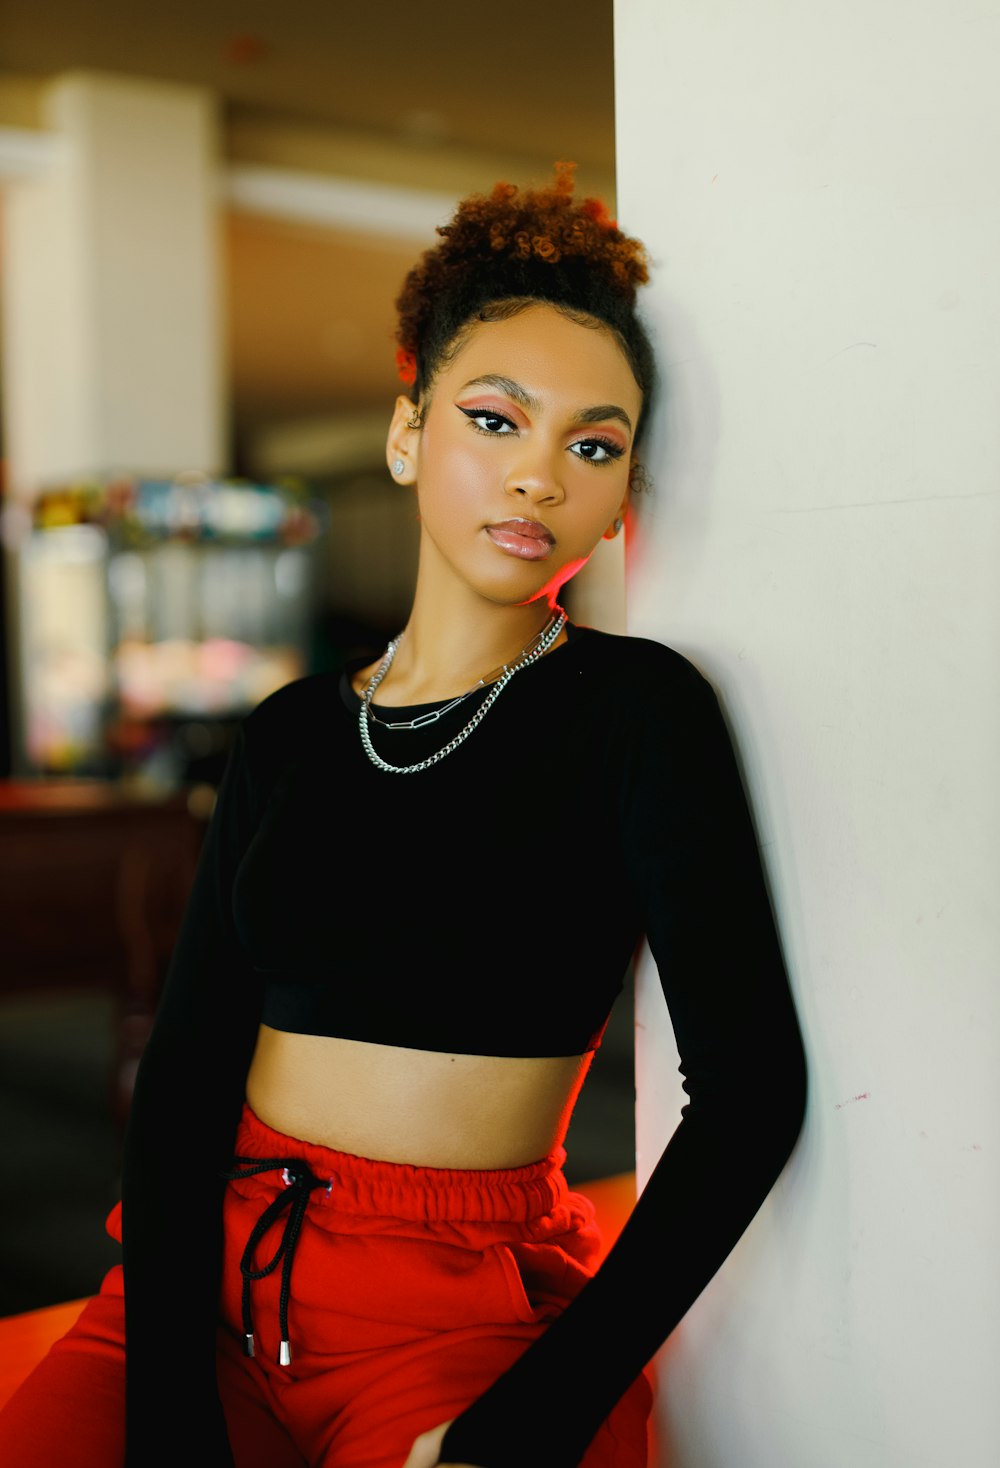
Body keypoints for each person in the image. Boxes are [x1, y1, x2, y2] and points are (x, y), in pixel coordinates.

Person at [0, 162, 807, 1468]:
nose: (539, 475)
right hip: (211, 1270)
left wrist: (534, 1418)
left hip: (452, 1306)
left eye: (592, 444)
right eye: (497, 419)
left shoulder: (637, 714)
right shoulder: (287, 734)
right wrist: (166, 1410)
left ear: (618, 502)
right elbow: (190, 1074)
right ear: (405, 434)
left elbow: (754, 1091)